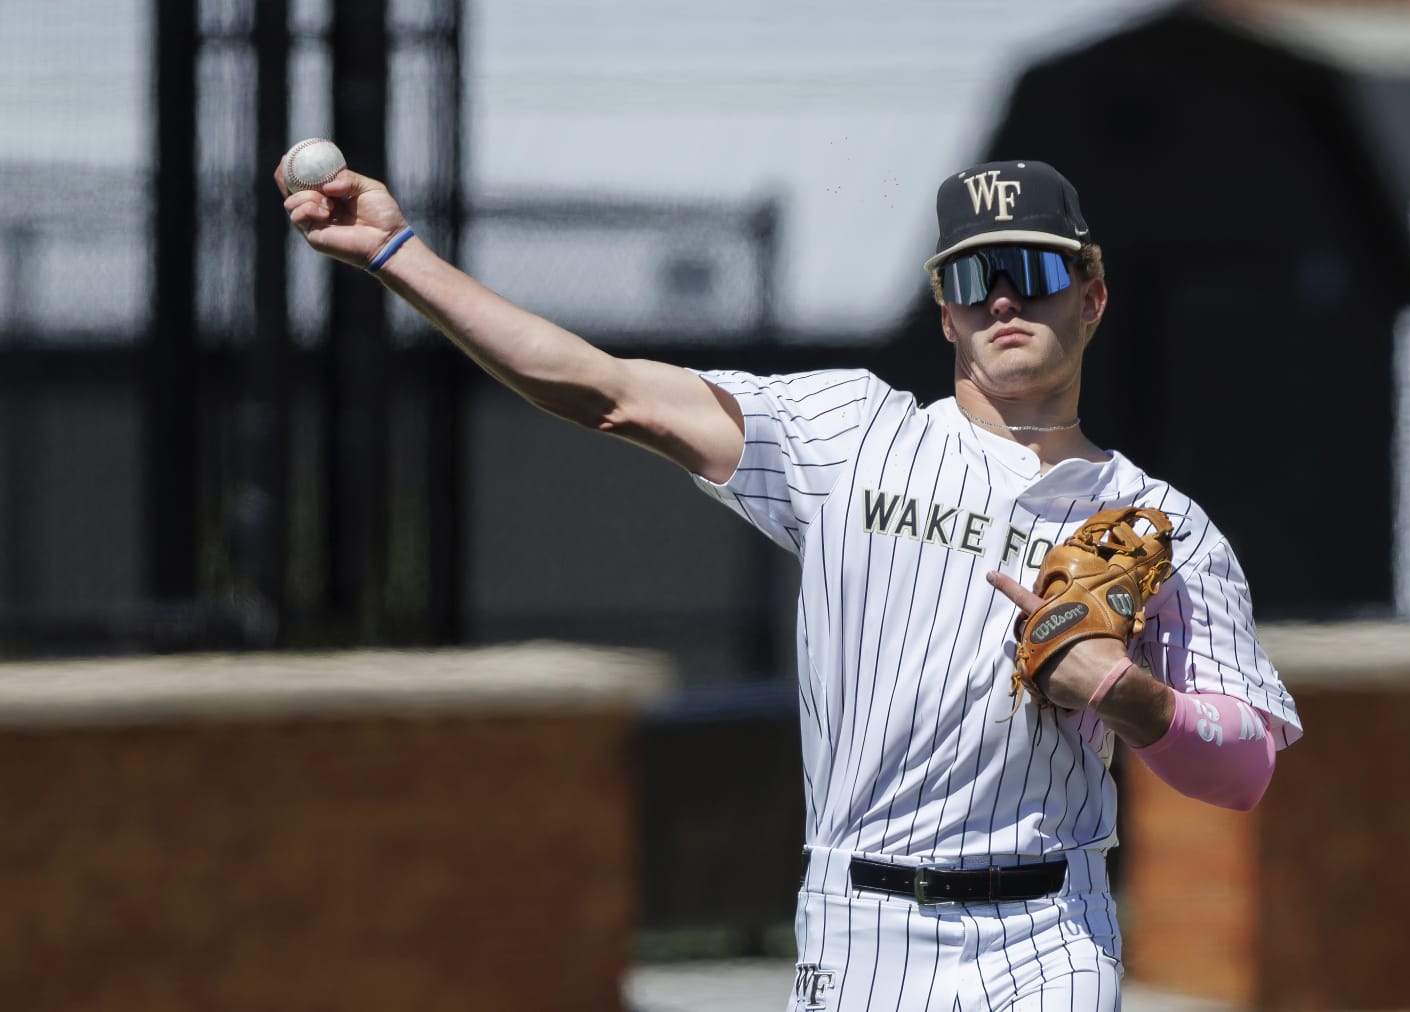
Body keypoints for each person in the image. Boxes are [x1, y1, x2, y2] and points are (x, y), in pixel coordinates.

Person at [278, 155, 1301, 1011]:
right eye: (970, 276)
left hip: (1049, 932)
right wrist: (399, 257)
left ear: (1092, 292)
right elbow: (608, 391)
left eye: (1032, 268)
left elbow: (1244, 770)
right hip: (863, 929)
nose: (1001, 296)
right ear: (943, 312)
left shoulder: (1163, 525)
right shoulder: (849, 435)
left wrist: (1130, 696)